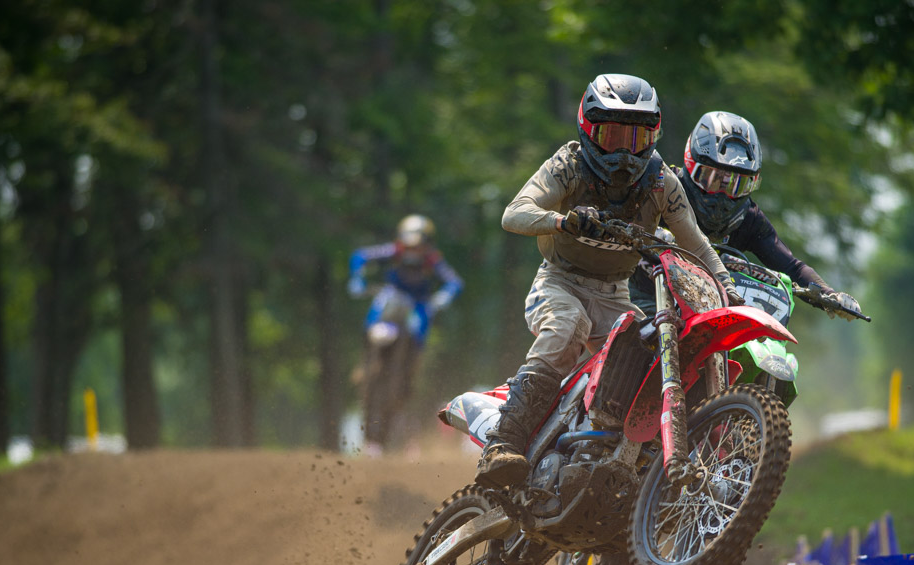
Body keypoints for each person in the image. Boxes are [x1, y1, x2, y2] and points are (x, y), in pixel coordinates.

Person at [475, 74, 742, 489]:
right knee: (567, 326)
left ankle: (617, 459)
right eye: (612, 135)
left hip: (615, 294)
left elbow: (698, 245)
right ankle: (503, 443)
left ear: (653, 137)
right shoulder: (569, 165)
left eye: (635, 139)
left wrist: (727, 288)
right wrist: (563, 221)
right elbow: (515, 213)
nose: (623, 152)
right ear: (589, 129)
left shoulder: (661, 181)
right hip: (560, 282)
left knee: (651, 357)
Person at [629, 111, 861, 319]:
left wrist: (831, 296)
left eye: (736, 185)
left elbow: (792, 268)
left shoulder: (749, 219)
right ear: (692, 167)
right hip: (645, 298)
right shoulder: (663, 189)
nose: (722, 195)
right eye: (714, 179)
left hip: (714, 307)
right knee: (635, 334)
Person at [348, 214, 462, 455]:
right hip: (391, 299)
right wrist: (357, 279)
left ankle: (411, 359)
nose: (412, 252)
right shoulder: (392, 252)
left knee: (418, 327)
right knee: (377, 309)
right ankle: (368, 357)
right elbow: (359, 256)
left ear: (427, 244)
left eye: (418, 246)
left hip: (417, 305)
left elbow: (454, 282)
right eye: (408, 245)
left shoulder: (432, 259)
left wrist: (443, 297)